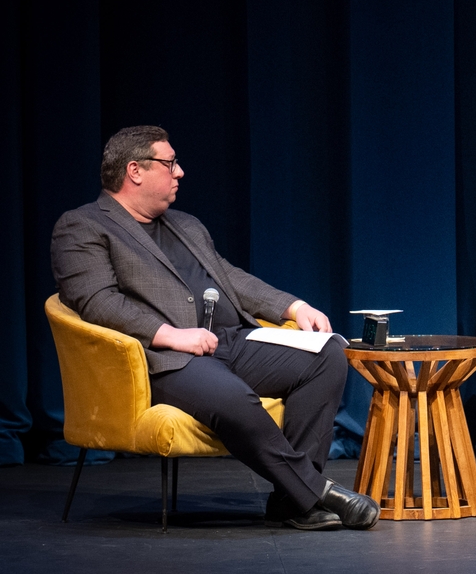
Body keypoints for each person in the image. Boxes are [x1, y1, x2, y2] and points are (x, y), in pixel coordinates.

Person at [51, 126, 379, 531]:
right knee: (234, 398)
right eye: (169, 163)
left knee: (326, 353)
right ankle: (313, 493)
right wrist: (170, 335)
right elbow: (97, 301)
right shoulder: (82, 226)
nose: (180, 172)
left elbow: (229, 277)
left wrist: (292, 305)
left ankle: (291, 501)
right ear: (134, 170)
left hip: (228, 342)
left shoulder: (184, 224)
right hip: (162, 357)